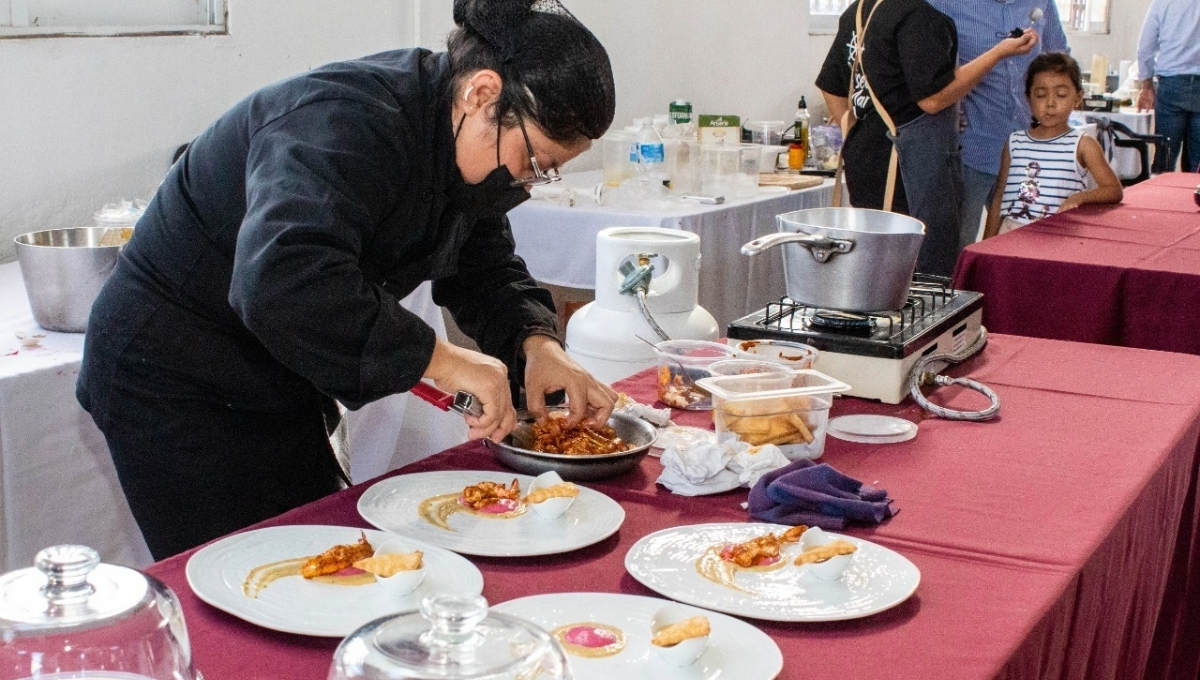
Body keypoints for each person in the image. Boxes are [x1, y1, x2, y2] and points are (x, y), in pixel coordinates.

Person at [76, 0, 618, 560]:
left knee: (318, 558)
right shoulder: (346, 121)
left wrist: (538, 343)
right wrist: (443, 359)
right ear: (482, 95)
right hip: (171, 369)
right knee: (241, 577)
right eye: (536, 161)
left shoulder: (457, 145)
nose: (530, 182)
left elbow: (483, 264)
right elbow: (283, 281)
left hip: (271, 367)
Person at [816, 0, 1036, 277]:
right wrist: (998, 54)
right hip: (909, 167)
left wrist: (854, 130)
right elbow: (932, 99)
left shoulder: (859, 10)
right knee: (923, 270)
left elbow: (830, 88)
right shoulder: (920, 18)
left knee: (874, 263)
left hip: (865, 159)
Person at [927, 0, 1069, 249]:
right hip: (969, 149)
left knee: (1023, 244)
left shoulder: (1041, 3)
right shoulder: (945, 3)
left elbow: (1059, 61)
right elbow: (927, 74)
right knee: (957, 249)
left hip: (1026, 152)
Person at [983, 53, 1122, 238]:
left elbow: (1113, 190)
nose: (1050, 103)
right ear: (1028, 98)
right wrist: (985, 245)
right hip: (1011, 233)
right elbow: (1000, 197)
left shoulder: (1083, 145)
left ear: (1078, 98)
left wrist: (1080, 198)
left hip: (1059, 235)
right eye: (1040, 95)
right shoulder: (1015, 143)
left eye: (1061, 94)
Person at [1136, 0, 1200, 173]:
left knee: (1165, 157)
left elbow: (1145, 48)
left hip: (1172, 85)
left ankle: (1161, 197)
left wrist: (1146, 84)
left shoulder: (1163, 3)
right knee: (1198, 164)